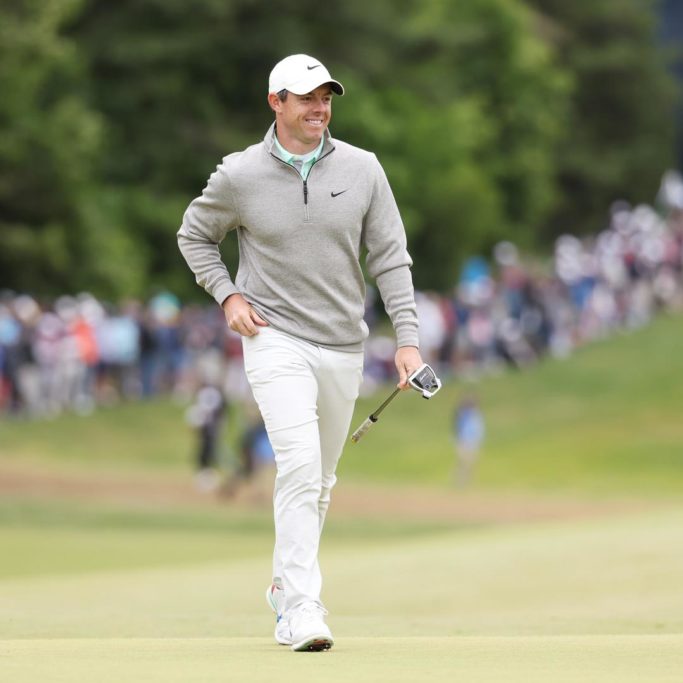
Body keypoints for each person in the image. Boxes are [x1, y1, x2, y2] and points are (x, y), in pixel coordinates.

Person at [177, 53, 423, 652]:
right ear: (276, 103)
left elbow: (389, 257)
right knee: (300, 465)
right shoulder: (239, 175)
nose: (320, 107)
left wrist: (409, 341)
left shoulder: (364, 169)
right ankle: (301, 610)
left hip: (343, 344)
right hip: (273, 337)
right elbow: (194, 235)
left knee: (322, 482)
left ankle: (284, 585)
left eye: (326, 97)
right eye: (307, 97)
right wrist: (228, 293)